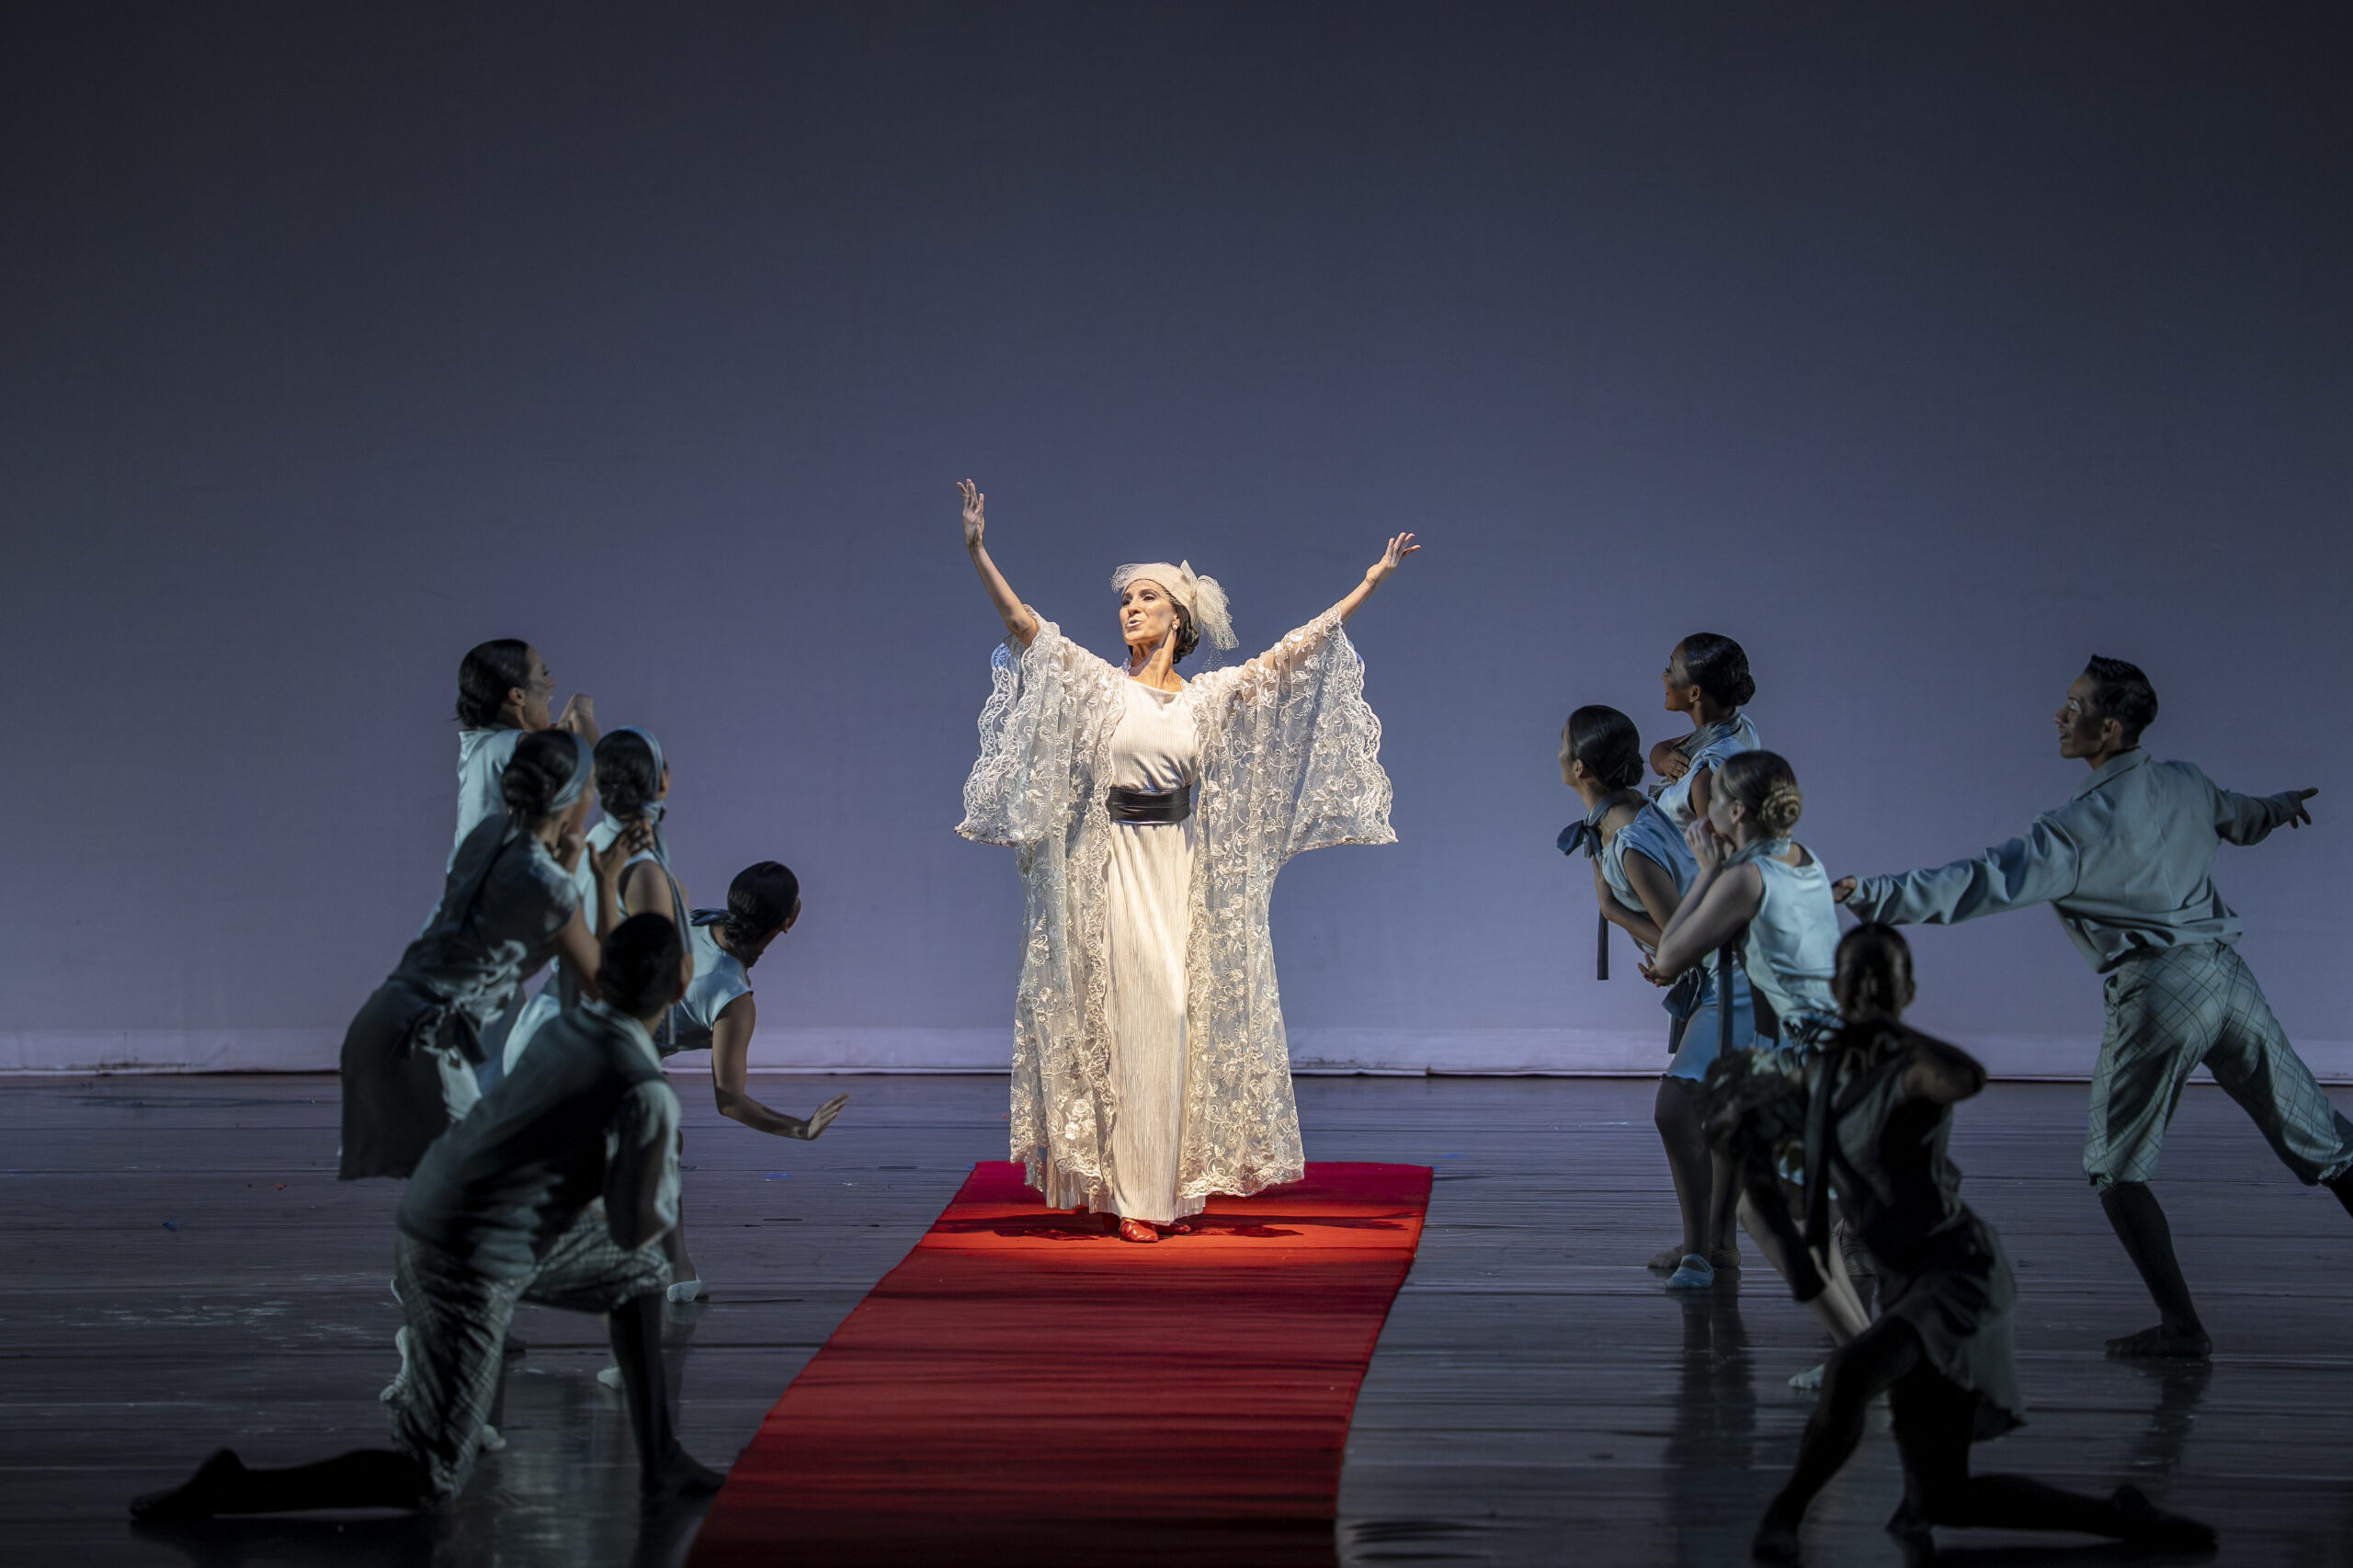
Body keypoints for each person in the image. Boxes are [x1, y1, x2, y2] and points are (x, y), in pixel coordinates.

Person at [1838, 655, 2349, 1358]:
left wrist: (1874, 894)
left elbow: (1981, 882)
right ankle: (2181, 1325)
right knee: (2322, 1137)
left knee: (2117, 1167)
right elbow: (2243, 815)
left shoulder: (2078, 827)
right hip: (2227, 979)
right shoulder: (2186, 781)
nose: (2059, 715)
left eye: (2074, 706)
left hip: (2159, 990)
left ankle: (2183, 1328)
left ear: (2109, 729)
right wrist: (2284, 806)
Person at [132, 914, 726, 1519]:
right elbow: (634, 1229)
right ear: (683, 984)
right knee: (432, 1473)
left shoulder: (565, 1028)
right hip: (468, 1253)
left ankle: (662, 1462)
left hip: (436, 1213)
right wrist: (643, 1173)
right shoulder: (644, 1090)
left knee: (637, 1275)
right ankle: (237, 1489)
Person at [954, 479, 1410, 1244]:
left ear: (1178, 617)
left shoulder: (1206, 699)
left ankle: (1160, 1188)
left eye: (1146, 599)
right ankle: (1135, 1196)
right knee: (1132, 1017)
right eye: (1125, 601)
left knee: (1173, 1020)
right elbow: (1026, 627)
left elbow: (1291, 657)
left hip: (1178, 868)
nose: (1130, 609)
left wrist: (1368, 585)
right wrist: (977, 550)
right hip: (1112, 870)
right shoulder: (1103, 688)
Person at [1735, 925, 2215, 1562]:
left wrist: (1892, 1033)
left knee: (1851, 1372)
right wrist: (1763, 1179)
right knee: (1942, 1500)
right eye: (1857, 976)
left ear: (1906, 992)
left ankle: (1783, 1517)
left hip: (1956, 1274)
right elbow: (1813, 1194)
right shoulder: (1825, 1074)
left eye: (1883, 979)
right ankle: (2125, 1519)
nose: (1869, 990)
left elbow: (1965, 1076)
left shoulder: (1912, 1069)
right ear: (1837, 988)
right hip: (1905, 1282)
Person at [340, 730, 636, 1180]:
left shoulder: (488, 836)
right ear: (572, 796)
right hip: (425, 1043)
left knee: (453, 1189)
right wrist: (607, 880)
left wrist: (569, 859)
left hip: (382, 1018)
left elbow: (527, 900)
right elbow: (603, 982)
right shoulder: (549, 886)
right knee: (485, 1185)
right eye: (590, 786)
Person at [1646, 750, 1862, 1325]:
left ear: (1736, 811)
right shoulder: (1803, 857)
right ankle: (1860, 1343)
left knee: (1774, 1212)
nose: (1703, 811)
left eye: (1713, 799)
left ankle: (1863, 1345)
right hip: (1823, 1046)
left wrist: (1707, 872)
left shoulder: (1744, 878)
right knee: (1788, 1212)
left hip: (1802, 1054)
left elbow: (1668, 955)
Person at [1557, 704, 1755, 1290]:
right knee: (1717, 1112)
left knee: (1676, 1109)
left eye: (1563, 745)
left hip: (1733, 977)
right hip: (1723, 970)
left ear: (1581, 766)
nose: (1557, 755)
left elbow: (1682, 937)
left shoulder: (1629, 840)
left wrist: (1618, 914)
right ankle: (1715, 1246)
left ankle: (1702, 1252)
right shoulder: (1622, 817)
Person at [449, 639, 598, 858]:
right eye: (544, 674)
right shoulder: (513, 745)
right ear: (518, 695)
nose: (551, 683)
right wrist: (582, 713)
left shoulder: (483, 744)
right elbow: (595, 770)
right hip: (501, 877)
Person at [1647, 632, 1759, 830]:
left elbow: (1718, 847)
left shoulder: (1705, 780)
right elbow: (1662, 748)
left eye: (1670, 670)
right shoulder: (1738, 726)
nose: (1664, 677)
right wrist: (1665, 761)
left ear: (1694, 693)